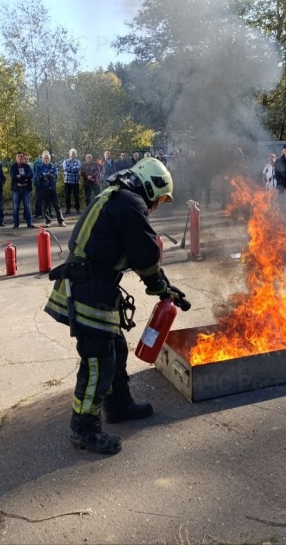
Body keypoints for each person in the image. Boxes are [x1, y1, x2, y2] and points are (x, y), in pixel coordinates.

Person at [44, 157, 187, 455]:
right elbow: (145, 255)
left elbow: (135, 249)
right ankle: (83, 428)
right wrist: (161, 288)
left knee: (115, 349)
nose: (156, 207)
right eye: (158, 200)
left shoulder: (117, 195)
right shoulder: (130, 202)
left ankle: (118, 405)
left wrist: (166, 287)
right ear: (150, 186)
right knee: (99, 362)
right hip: (89, 289)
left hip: (92, 285)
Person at [35, 151, 66, 226]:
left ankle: (61, 221)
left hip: (52, 188)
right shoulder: (39, 167)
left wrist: (46, 176)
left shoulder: (53, 166)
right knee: (45, 207)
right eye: (45, 158)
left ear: (50, 159)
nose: (46, 159)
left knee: (57, 206)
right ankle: (48, 222)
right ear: (42, 159)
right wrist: (48, 176)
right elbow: (40, 176)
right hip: (44, 189)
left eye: (47, 158)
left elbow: (54, 176)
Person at [10, 151, 34, 229]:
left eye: (21, 157)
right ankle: (16, 224)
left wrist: (20, 176)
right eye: (18, 157)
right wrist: (24, 179)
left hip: (25, 190)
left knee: (27, 206)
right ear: (16, 158)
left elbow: (30, 175)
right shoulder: (13, 167)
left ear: (23, 158)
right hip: (16, 189)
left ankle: (29, 223)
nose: (20, 158)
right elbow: (14, 177)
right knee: (16, 207)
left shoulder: (27, 166)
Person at [62, 148, 82, 215]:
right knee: (68, 196)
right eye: (72, 154)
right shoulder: (65, 161)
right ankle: (68, 209)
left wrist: (71, 169)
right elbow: (65, 168)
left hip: (76, 181)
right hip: (67, 181)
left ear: (76, 155)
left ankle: (77, 209)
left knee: (76, 196)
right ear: (69, 154)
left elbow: (78, 167)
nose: (73, 155)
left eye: (74, 154)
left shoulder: (78, 161)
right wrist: (74, 168)